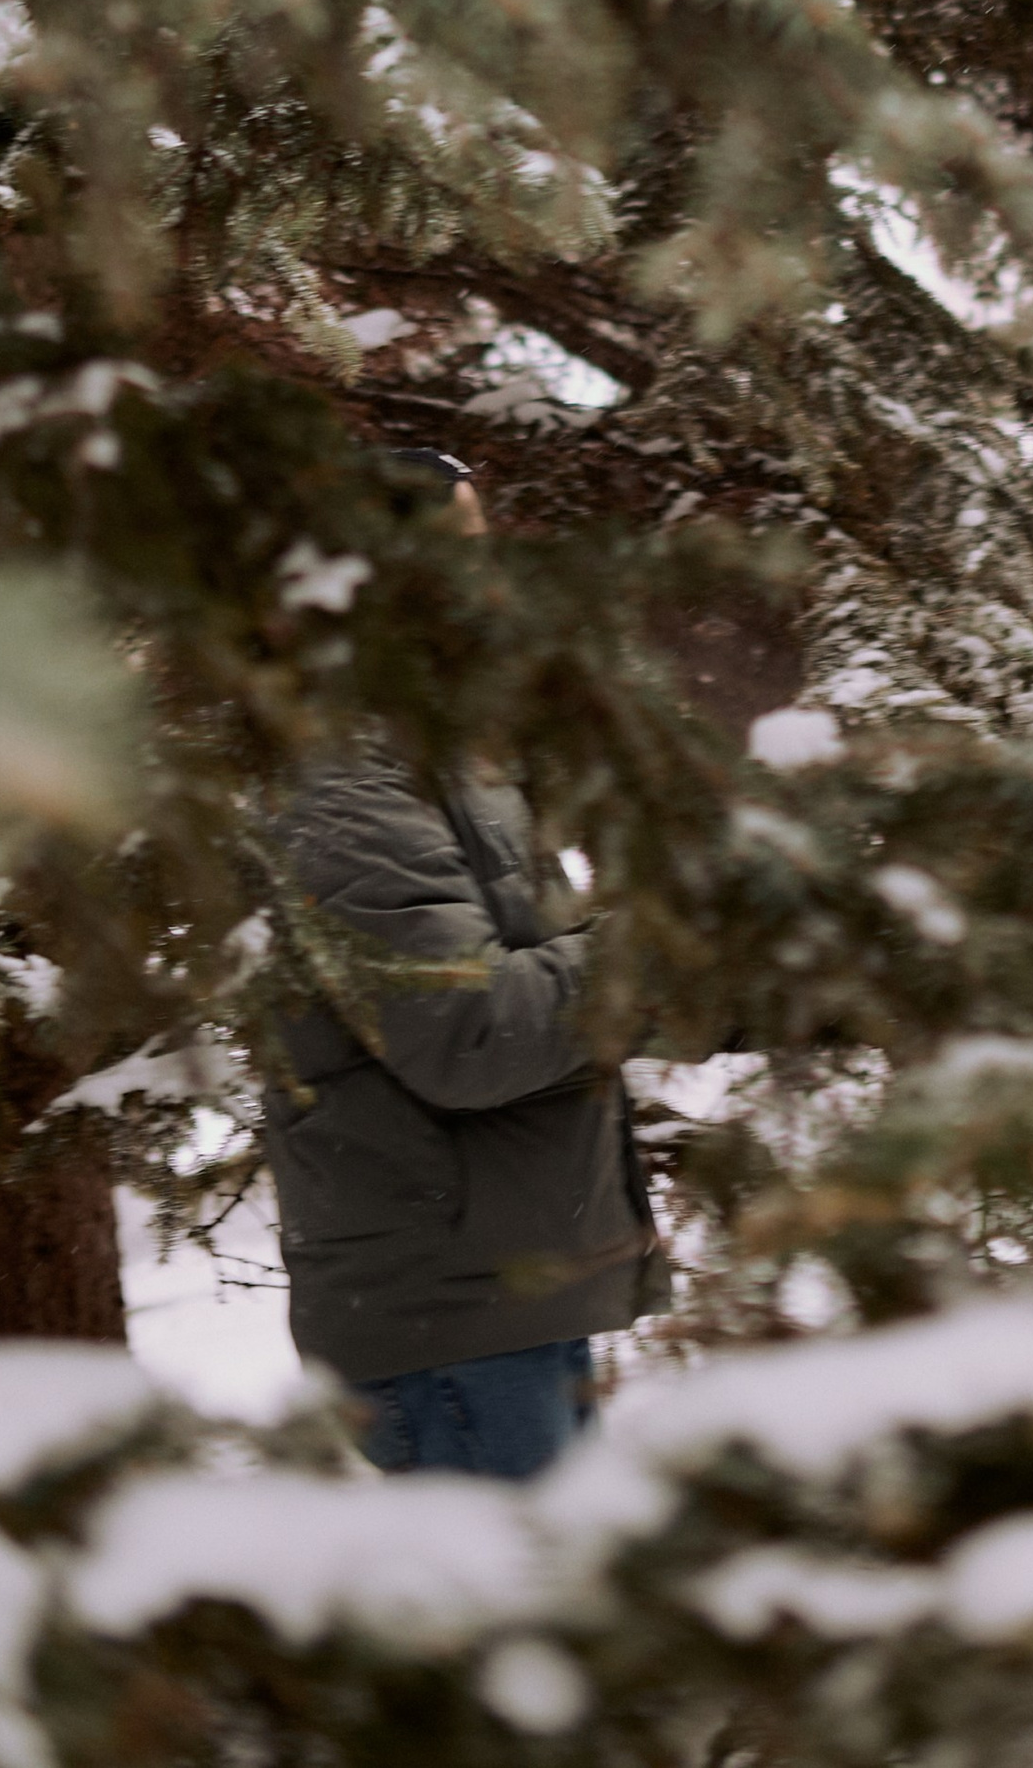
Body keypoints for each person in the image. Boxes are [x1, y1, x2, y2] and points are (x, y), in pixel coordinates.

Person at [261, 462, 667, 1480]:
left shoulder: (447, 765)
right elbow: (468, 1035)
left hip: (509, 1305)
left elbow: (561, 988)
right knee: (510, 1586)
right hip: (452, 1332)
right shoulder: (348, 779)